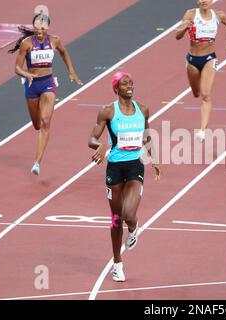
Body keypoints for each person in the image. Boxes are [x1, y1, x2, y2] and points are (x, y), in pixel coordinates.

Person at [88, 71, 161, 282]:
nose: (129, 85)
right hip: (114, 169)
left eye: (131, 82)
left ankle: (133, 228)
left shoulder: (143, 110)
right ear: (116, 88)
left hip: (135, 166)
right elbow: (92, 137)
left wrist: (154, 158)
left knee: (129, 214)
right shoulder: (108, 112)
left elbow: (146, 134)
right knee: (115, 219)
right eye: (124, 83)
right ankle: (117, 264)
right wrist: (100, 145)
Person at [10, 13, 83, 175]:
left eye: (43, 27)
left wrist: (71, 71)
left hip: (48, 83)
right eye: (37, 27)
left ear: (47, 28)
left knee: (45, 121)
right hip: (31, 86)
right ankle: (37, 157)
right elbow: (16, 68)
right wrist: (26, 74)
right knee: (37, 124)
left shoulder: (54, 40)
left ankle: (37, 162)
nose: (40, 30)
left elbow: (64, 52)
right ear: (33, 27)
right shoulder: (26, 43)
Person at [176, 0, 226, 142]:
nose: (204, 1)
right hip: (192, 61)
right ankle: (194, 83)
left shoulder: (219, 15)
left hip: (209, 58)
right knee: (196, 93)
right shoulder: (190, 14)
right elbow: (177, 36)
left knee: (206, 94)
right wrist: (184, 28)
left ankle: (202, 131)